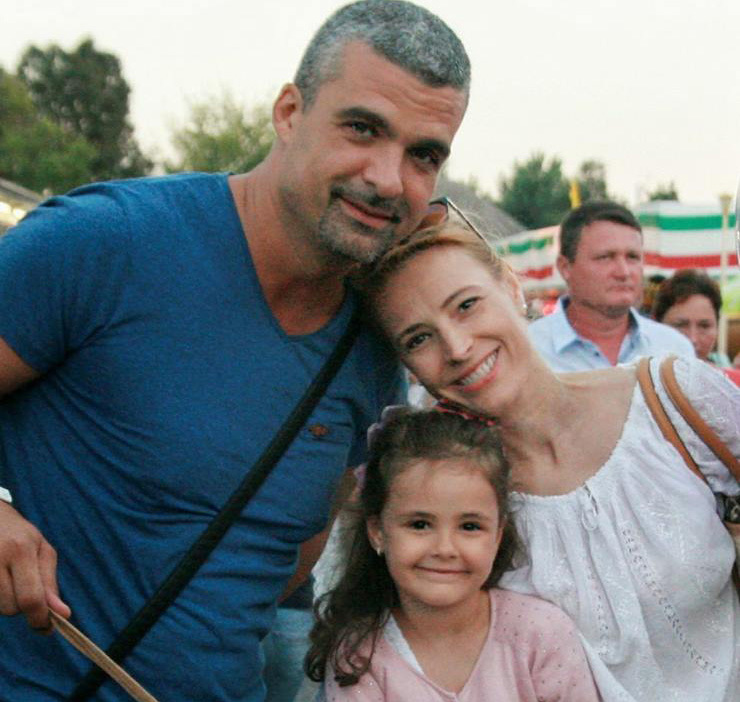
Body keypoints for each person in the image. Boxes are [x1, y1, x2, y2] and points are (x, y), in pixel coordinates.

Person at [0, 2, 471, 700]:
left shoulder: (372, 351)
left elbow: (282, 561)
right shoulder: (104, 243)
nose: (386, 178)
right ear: (289, 113)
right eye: (362, 128)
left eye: (423, 155)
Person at [360, 215, 740, 701]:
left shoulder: (672, 401)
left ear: (510, 286)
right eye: (418, 338)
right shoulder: (438, 494)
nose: (457, 347)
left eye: (467, 305)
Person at [306, 408, 600, 701]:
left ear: (498, 534)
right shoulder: (358, 654)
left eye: (470, 526)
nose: (445, 549)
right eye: (419, 524)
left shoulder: (540, 633)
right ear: (377, 532)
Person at [528, 201, 694, 371]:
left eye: (632, 257)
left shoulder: (674, 350)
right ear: (565, 267)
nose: (623, 272)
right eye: (605, 257)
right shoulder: (528, 352)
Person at [652, 268, 740, 387]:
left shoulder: (732, 386)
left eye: (704, 326)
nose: (693, 339)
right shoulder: (636, 384)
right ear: (656, 325)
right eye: (680, 325)